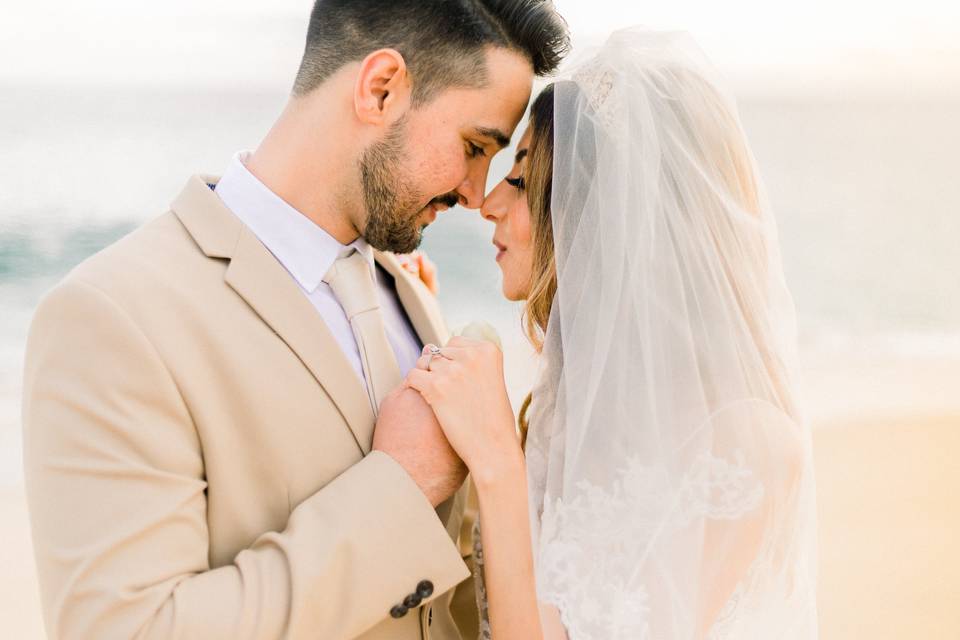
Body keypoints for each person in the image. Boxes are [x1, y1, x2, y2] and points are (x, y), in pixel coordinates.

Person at [21, 1, 569, 638]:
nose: (477, 194)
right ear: (380, 88)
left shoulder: (405, 293)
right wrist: (400, 486)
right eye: (474, 147)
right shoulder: (111, 317)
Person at [405, 28, 818, 639]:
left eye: (520, 177)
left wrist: (495, 460)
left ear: (590, 210)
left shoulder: (748, 443)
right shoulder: (572, 407)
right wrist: (416, 316)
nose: (487, 200)